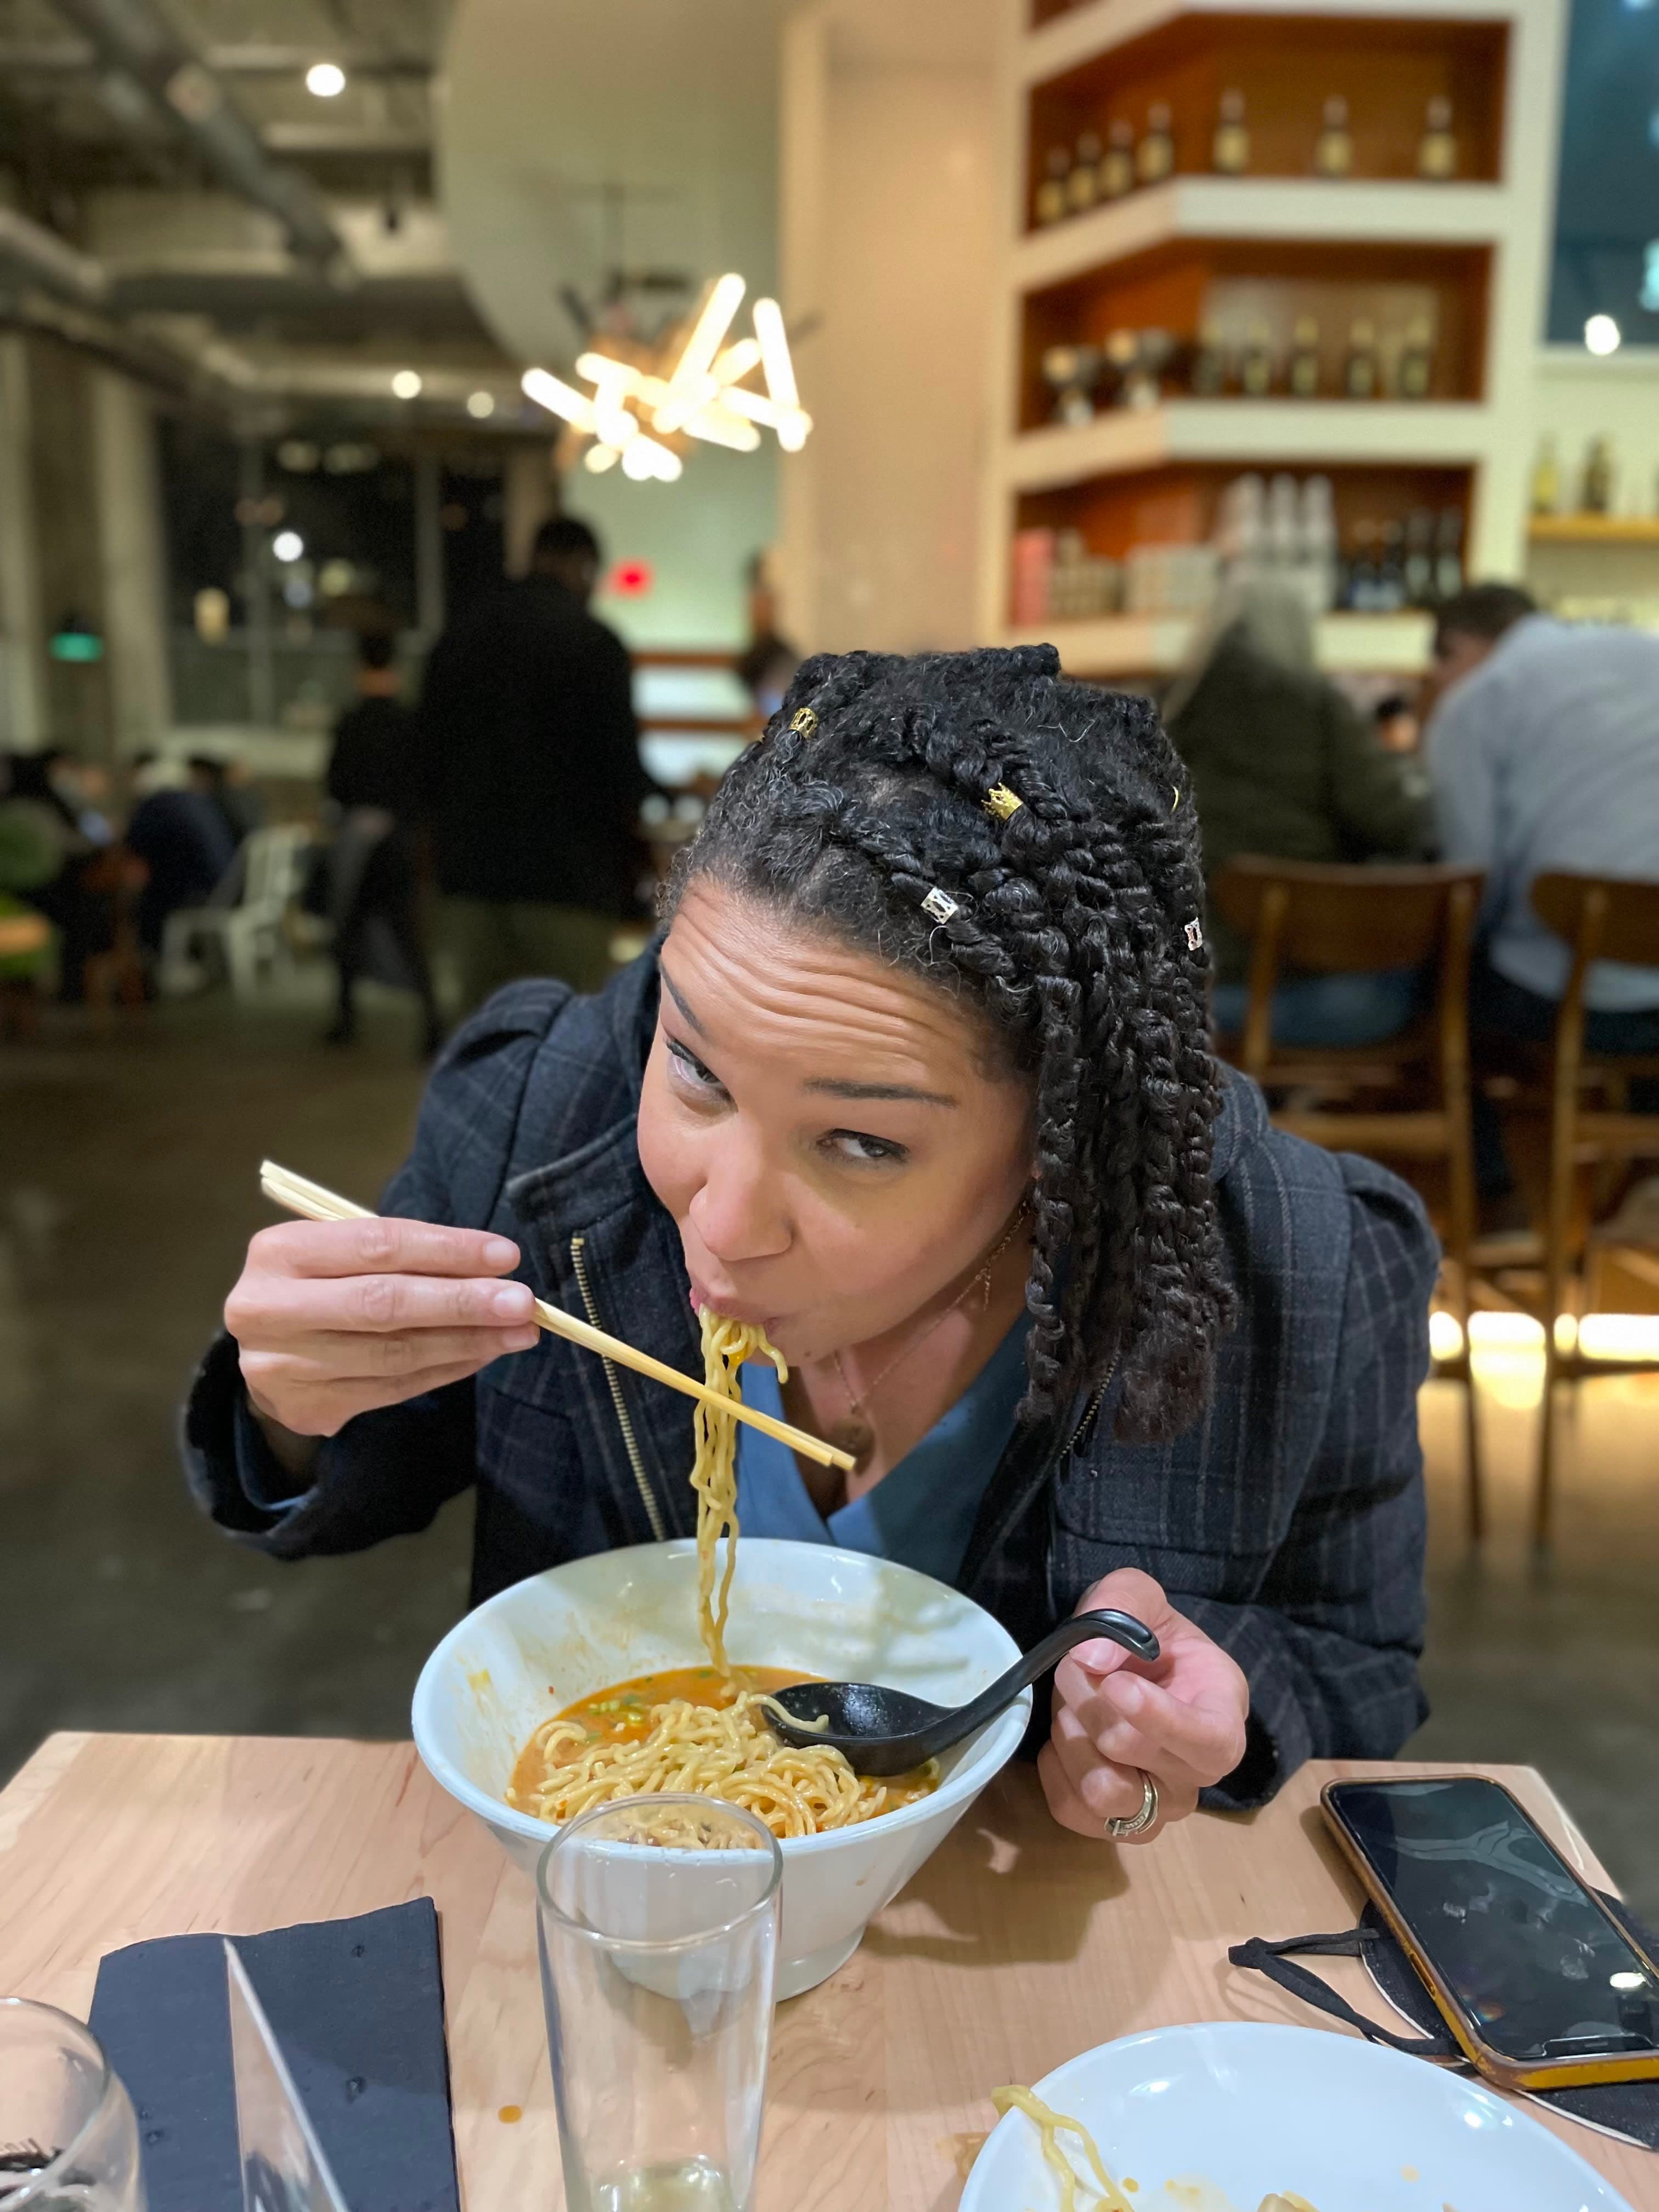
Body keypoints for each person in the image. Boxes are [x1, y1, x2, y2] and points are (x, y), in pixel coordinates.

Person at [184, 646, 1437, 1847]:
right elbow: (351, 1477)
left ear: (1059, 1136)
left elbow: (1356, 1670)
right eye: (695, 1071)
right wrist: (294, 1400)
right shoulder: (534, 1125)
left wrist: (1202, 1722)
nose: (718, 1220)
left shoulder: (1297, 1260)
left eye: (859, 1143)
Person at [1425, 589, 1659, 1224]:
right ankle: (1631, 1193)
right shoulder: (1646, 651)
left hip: (1572, 999)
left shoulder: (1476, 701)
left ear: (1459, 648)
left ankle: (1499, 1209)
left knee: (1444, 996)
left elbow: (1472, 886)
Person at [1164, 581, 1434, 1047]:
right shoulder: (1319, 710)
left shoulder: (1172, 710)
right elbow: (1399, 825)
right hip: (1320, 997)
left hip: (1185, 997)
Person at [416, 514, 652, 1011]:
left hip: (471, 875)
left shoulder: (458, 637)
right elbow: (618, 768)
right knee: (568, 1046)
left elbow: (426, 757)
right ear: (582, 566)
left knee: (485, 1046)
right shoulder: (594, 644)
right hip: (569, 878)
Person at [322, 633, 442, 1057]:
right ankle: (432, 1024)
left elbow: (335, 783)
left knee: (348, 930)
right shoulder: (409, 721)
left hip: (357, 838)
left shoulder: (351, 722)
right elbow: (426, 783)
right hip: (400, 840)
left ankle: (345, 1019)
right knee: (409, 934)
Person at [123, 754, 236, 956]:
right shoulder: (198, 802)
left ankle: (150, 962)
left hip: (198, 894)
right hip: (222, 887)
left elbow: (131, 845)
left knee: (132, 901)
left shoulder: (157, 805)